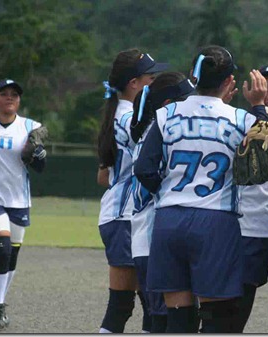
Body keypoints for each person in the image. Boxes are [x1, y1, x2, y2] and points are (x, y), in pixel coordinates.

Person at [134, 45, 266, 333]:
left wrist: (168, 192)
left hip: (169, 219)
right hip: (216, 220)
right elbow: (267, 162)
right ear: (230, 82)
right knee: (217, 317)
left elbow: (143, 168)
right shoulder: (243, 119)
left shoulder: (166, 114)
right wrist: (258, 107)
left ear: (193, 76)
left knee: (178, 317)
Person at [96, 49, 168, 334]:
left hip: (119, 214)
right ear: (135, 83)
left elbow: (103, 176)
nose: (155, 81)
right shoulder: (130, 119)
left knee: (128, 304)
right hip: (127, 217)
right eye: (151, 77)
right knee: (146, 306)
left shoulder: (119, 113)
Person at [0, 79, 46, 329]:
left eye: (14, 95)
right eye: (3, 94)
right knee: (3, 249)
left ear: (19, 100)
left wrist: (38, 156)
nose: (9, 98)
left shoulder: (30, 127)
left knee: (12, 255)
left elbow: (39, 168)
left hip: (19, 199)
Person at [130, 72, 195, 333]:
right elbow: (145, 173)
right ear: (168, 105)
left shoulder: (154, 130)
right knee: (164, 322)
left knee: (161, 320)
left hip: (149, 240)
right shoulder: (160, 134)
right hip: (152, 239)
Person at [231, 64, 268, 333]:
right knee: (236, 309)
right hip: (249, 226)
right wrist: (258, 109)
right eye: (264, 89)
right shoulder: (240, 120)